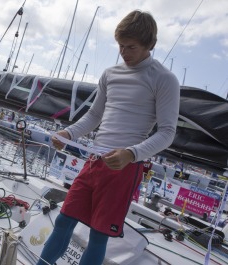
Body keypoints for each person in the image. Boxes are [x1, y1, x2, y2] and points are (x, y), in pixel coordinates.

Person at [37, 10, 180, 265]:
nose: (124, 53)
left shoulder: (164, 79)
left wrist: (131, 153)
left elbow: (168, 132)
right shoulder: (110, 74)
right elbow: (94, 116)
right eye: (120, 46)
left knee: (98, 235)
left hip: (124, 167)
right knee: (64, 219)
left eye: (131, 47)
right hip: (94, 161)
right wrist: (68, 133)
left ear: (151, 45)